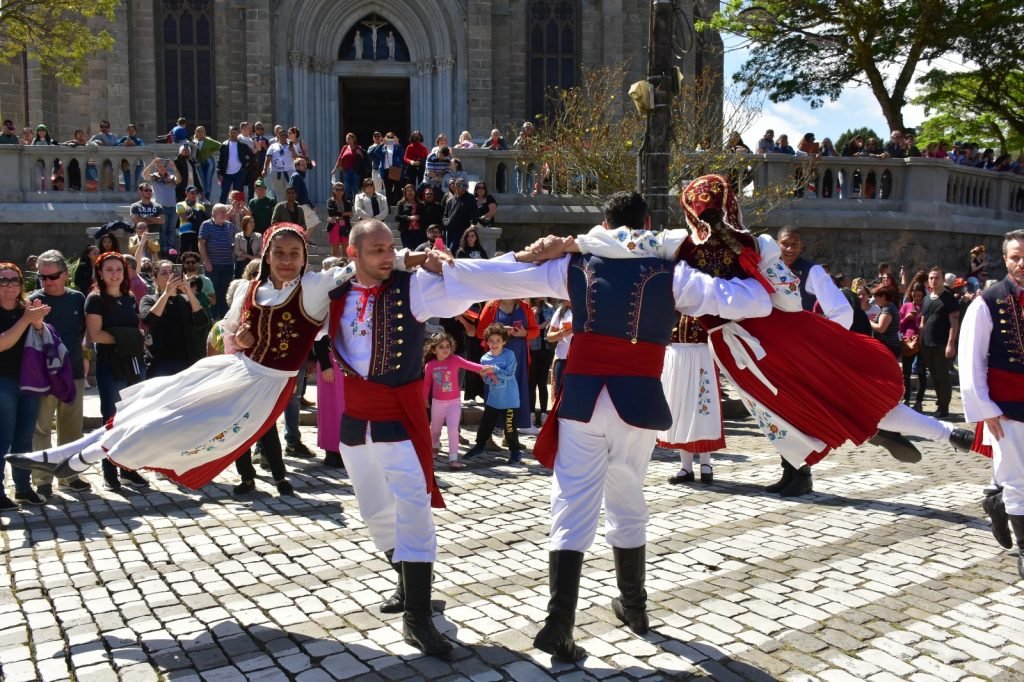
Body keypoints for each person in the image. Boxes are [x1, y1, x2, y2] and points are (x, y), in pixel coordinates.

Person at [439, 191, 776, 661]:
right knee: (627, 496)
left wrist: (446, 267)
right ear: (649, 224)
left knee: (572, 503)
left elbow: (504, 276)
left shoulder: (574, 267)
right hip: (637, 403)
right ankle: (635, 608)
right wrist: (756, 257)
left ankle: (560, 625)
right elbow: (755, 302)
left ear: (603, 222)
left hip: (583, 398)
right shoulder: (673, 274)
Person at [323, 219, 477, 657]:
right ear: (353, 254)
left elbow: (469, 286)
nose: (388, 256)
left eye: (391, 248)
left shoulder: (415, 289)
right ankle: (408, 586)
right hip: (355, 425)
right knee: (374, 512)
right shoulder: (333, 294)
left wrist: (449, 265)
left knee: (415, 513)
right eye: (376, 250)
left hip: (399, 421)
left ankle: (418, 616)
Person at [960, 230, 1024, 580]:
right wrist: (985, 408)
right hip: (1008, 406)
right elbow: (971, 360)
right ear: (1005, 259)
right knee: (1018, 479)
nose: (1022, 263)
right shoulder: (988, 301)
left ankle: (996, 501)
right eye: (1016, 256)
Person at [29, 251, 91, 497]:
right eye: (42, 276)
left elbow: (83, 335)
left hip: (73, 372)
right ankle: (42, 480)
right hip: (44, 376)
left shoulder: (78, 299)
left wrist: (86, 359)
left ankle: (69, 476)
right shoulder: (33, 301)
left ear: (65, 275)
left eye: (53, 275)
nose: (47, 281)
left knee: (72, 429)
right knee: (41, 429)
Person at [86, 252, 149, 492]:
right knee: (111, 418)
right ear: (100, 273)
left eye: (118, 269)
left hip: (133, 363)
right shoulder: (95, 299)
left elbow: (135, 327)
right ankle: (109, 472)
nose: (114, 274)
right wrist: (129, 338)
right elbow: (96, 335)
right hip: (111, 365)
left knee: (132, 417)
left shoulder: (129, 297)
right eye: (109, 269)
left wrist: (133, 339)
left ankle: (129, 469)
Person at [0, 262, 50, 508]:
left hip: (29, 381)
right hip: (3, 381)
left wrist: (38, 323)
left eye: (14, 280)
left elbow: (41, 340)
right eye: (3, 280)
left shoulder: (26, 309)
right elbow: (3, 344)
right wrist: (27, 320)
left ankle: (22, 488)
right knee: (2, 438)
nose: (9, 285)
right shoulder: (22, 314)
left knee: (24, 438)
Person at [423, 332, 490, 469]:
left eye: (447, 346)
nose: (445, 349)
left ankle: (453, 459)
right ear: (434, 349)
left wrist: (485, 369)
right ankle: (434, 447)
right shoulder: (430, 365)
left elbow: (470, 365)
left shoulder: (455, 360)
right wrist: (425, 399)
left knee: (453, 429)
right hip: (437, 403)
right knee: (435, 430)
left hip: (454, 403)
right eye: (441, 347)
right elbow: (427, 384)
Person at [464, 323, 524, 463]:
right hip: (494, 400)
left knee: (509, 428)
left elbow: (510, 374)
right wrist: (488, 377)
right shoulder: (484, 359)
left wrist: (494, 369)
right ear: (486, 342)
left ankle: (515, 452)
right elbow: (486, 378)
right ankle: (479, 446)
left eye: (498, 340)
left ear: (504, 341)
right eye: (491, 341)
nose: (494, 343)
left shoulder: (509, 355)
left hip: (510, 400)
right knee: (485, 425)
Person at [476, 298, 537, 430]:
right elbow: (480, 332)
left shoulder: (525, 307)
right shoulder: (491, 306)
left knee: (515, 394)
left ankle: (509, 434)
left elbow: (535, 331)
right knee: (493, 391)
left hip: (518, 358)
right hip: (495, 358)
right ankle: (488, 436)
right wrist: (499, 330)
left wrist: (524, 333)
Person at [141, 260, 208, 377]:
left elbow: (202, 322)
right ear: (155, 279)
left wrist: (188, 292)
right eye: (164, 273)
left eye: (172, 272)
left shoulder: (186, 299)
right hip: (160, 362)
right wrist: (166, 294)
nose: (169, 276)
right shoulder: (149, 299)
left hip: (187, 361)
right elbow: (149, 320)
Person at [920, 266, 960, 418]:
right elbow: (923, 321)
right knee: (935, 375)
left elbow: (954, 323)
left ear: (943, 280)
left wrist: (951, 344)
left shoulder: (949, 299)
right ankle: (940, 403)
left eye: (936, 278)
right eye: (931, 278)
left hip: (942, 344)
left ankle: (944, 407)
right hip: (927, 344)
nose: (933, 281)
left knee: (943, 376)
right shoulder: (926, 298)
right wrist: (920, 339)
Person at [198, 204, 237, 319]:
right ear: (214, 214)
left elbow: (237, 239)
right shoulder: (206, 225)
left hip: (228, 264)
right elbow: (201, 243)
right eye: (221, 212)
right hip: (213, 264)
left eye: (225, 212)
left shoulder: (230, 226)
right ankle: (213, 316)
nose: (224, 214)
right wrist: (206, 261)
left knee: (225, 291)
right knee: (213, 290)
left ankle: (224, 315)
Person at [527, 298, 555, 431]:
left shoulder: (549, 307)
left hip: (546, 348)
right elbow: (527, 326)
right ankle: (531, 414)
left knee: (543, 383)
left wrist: (537, 327)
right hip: (533, 348)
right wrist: (537, 323)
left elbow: (550, 323)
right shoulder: (528, 308)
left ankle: (544, 413)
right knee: (531, 382)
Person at [899, 281, 927, 409]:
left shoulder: (927, 306)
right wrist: (907, 318)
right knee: (906, 372)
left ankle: (919, 401)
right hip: (908, 342)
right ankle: (906, 398)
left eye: (919, 296)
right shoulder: (906, 306)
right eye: (914, 295)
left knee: (921, 372)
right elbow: (899, 324)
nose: (916, 298)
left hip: (922, 342)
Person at [217, 126, 254, 204]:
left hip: (239, 172)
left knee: (238, 193)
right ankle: (221, 208)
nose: (233, 134)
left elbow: (251, 156)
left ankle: (239, 211)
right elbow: (219, 159)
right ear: (229, 133)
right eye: (231, 132)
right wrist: (219, 172)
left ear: (238, 133)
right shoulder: (224, 145)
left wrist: (246, 165)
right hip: (226, 173)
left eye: (235, 132)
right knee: (224, 192)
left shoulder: (243, 146)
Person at [442, 178, 477, 251]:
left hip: (461, 231)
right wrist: (446, 223)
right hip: (449, 231)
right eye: (461, 186)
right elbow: (445, 215)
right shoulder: (450, 200)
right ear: (455, 186)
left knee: (453, 250)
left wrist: (473, 223)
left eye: (465, 186)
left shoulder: (470, 198)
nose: (464, 188)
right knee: (448, 250)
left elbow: (474, 212)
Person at [176, 186, 210, 256]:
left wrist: (191, 213)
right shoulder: (180, 204)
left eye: (195, 193)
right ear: (186, 193)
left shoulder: (201, 206)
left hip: (198, 232)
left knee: (196, 253)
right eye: (192, 193)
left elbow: (203, 220)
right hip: (185, 232)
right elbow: (184, 217)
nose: (194, 195)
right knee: (183, 252)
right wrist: (195, 214)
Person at [333, 132, 365, 200]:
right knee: (347, 186)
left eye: (349, 138)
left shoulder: (358, 148)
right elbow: (340, 158)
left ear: (353, 139)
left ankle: (357, 202)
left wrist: (361, 154)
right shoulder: (345, 147)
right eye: (346, 138)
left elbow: (364, 159)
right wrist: (335, 169)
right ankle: (348, 202)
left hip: (355, 170)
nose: (347, 140)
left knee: (355, 186)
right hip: (346, 170)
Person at [192, 126, 221, 201]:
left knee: (208, 179)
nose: (200, 133)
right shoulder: (194, 142)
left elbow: (219, 145)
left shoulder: (208, 140)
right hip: (199, 163)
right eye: (198, 131)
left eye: (202, 131)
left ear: (204, 133)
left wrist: (211, 151)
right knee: (202, 180)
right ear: (196, 133)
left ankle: (207, 195)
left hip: (209, 162)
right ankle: (204, 196)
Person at [326, 182, 353, 257]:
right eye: (337, 189)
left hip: (345, 226)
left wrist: (337, 216)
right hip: (334, 226)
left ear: (344, 191)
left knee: (346, 251)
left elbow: (350, 214)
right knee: (335, 253)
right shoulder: (330, 201)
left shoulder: (348, 202)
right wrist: (345, 213)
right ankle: (334, 268)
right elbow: (331, 212)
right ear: (333, 190)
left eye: (341, 190)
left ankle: (345, 267)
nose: (339, 191)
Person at [394, 184, 422, 251]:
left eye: (412, 190)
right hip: (406, 231)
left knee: (418, 251)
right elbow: (397, 217)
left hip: (418, 232)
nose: (410, 192)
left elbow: (425, 216)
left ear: (415, 192)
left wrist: (419, 217)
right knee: (407, 251)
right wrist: (408, 217)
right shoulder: (401, 203)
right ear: (405, 193)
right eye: (408, 191)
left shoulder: (420, 204)